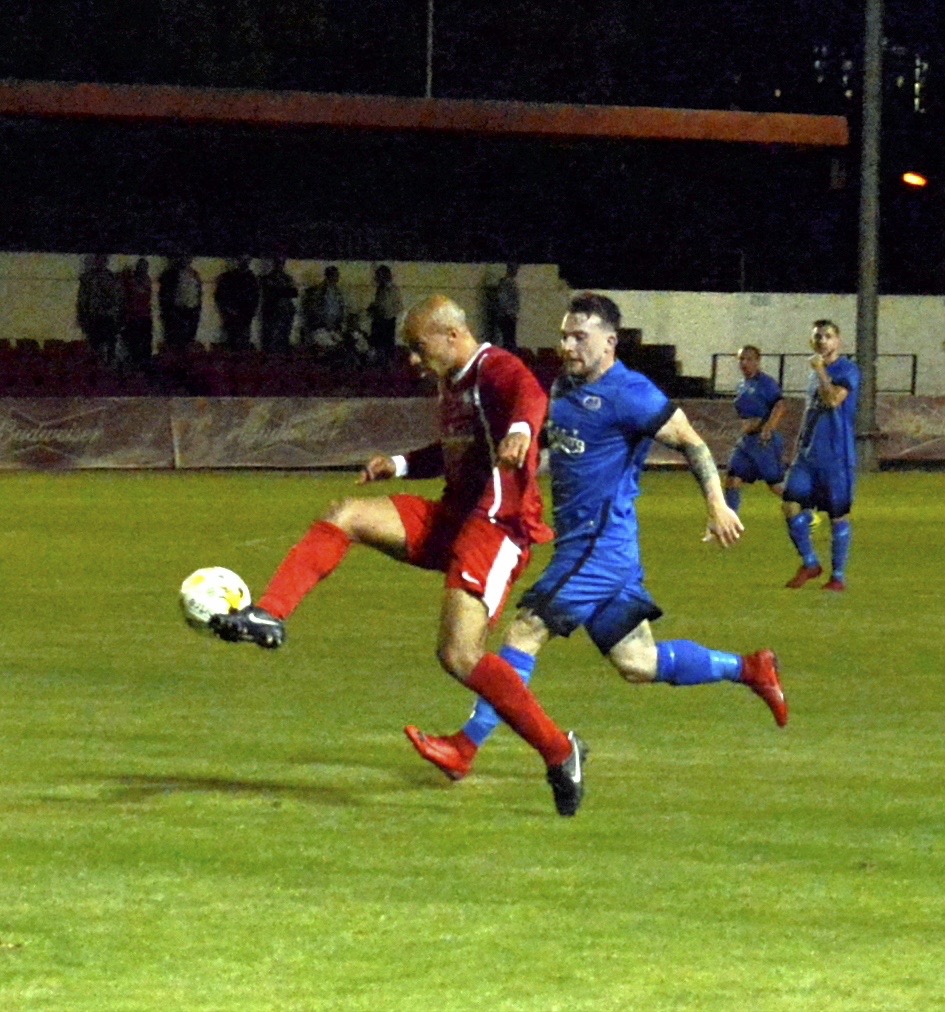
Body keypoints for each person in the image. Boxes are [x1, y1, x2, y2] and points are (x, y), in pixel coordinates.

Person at [209, 295, 588, 817]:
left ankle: (560, 752)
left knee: (459, 655)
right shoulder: (452, 384)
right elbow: (456, 452)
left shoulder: (493, 366)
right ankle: (270, 613)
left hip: (498, 527)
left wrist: (522, 429)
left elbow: (530, 394)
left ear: (452, 335)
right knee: (346, 515)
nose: (412, 359)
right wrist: (401, 464)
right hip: (455, 517)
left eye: (417, 346)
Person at [405, 293, 787, 783]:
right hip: (601, 549)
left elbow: (691, 441)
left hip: (597, 548)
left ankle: (466, 746)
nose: (567, 346)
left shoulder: (631, 392)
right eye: (564, 336)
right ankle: (749, 668)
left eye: (579, 337)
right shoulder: (564, 386)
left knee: (526, 630)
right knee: (638, 661)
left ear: (610, 342)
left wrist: (716, 502)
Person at [782, 319, 860, 592]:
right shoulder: (815, 373)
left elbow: (833, 400)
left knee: (838, 516)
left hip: (836, 456)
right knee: (790, 505)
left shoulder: (847, 370)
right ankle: (810, 562)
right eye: (817, 336)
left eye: (827, 336)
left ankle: (837, 577)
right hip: (808, 455)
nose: (822, 341)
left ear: (838, 341)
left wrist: (821, 371)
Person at [722, 345, 787, 516]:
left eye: (749, 359)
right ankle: (731, 521)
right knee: (732, 479)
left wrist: (768, 428)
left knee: (775, 485)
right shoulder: (742, 385)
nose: (744, 363)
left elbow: (780, 405)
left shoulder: (766, 383)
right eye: (741, 359)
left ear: (758, 361)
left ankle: (805, 510)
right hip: (746, 441)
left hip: (763, 442)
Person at [76, 254, 123, 365]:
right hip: (93, 317)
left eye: (102, 260)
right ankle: (96, 366)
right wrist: (82, 316)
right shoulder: (88, 278)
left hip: (108, 317)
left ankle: (109, 366)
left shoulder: (111, 277)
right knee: (94, 346)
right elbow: (82, 299)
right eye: (98, 260)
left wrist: (118, 315)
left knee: (110, 346)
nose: (100, 263)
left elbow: (118, 297)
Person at [299, 265, 347, 354]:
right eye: (336, 276)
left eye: (337, 276)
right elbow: (309, 311)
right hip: (320, 329)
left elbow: (340, 311)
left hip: (333, 329)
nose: (337, 279)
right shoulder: (316, 291)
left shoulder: (337, 293)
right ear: (330, 276)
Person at [214, 256, 260, 351]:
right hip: (232, 315)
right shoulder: (230, 277)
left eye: (246, 260)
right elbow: (220, 296)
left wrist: (250, 312)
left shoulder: (251, 278)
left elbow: (255, 297)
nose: (244, 262)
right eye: (242, 260)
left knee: (242, 340)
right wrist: (227, 309)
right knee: (232, 340)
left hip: (244, 316)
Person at [158, 257, 202, 349]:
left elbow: (198, 293)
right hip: (176, 311)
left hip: (192, 310)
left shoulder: (194, 274)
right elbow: (164, 295)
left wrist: (197, 308)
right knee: (175, 337)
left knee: (189, 337)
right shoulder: (170, 275)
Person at [119, 257, 154, 368]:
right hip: (132, 317)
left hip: (145, 317)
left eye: (145, 268)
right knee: (133, 344)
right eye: (141, 267)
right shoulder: (129, 281)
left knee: (145, 344)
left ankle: (145, 365)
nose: (143, 270)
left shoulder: (147, 280)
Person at [259, 256, 299, 354]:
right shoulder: (267, 278)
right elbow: (269, 293)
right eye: (278, 263)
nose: (280, 266)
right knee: (269, 338)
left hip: (285, 312)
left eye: (281, 263)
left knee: (284, 336)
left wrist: (279, 290)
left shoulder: (287, 278)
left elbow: (294, 293)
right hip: (271, 312)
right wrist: (283, 290)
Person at [367, 265, 402, 365]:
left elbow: (394, 306)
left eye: (379, 276)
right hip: (381, 319)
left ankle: (385, 363)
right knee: (378, 344)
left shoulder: (391, 289)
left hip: (386, 320)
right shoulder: (381, 288)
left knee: (385, 345)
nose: (377, 279)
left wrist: (383, 312)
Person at [493, 263, 521, 352]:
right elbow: (502, 299)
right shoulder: (506, 283)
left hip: (509, 315)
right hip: (507, 316)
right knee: (508, 341)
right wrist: (510, 313)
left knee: (509, 340)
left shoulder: (509, 283)